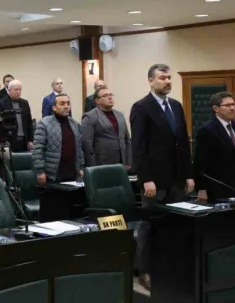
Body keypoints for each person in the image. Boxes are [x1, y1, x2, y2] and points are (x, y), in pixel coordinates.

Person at [130, 64, 193, 291]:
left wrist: (188, 175)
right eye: (162, 78)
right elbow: (138, 148)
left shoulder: (175, 106)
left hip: (176, 179)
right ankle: (143, 271)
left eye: (169, 78)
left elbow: (183, 143)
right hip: (154, 180)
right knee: (149, 226)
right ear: (151, 80)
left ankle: (171, 268)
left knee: (176, 224)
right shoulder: (141, 107)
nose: (167, 81)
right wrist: (146, 179)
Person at [33, 93, 85, 221]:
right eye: (62, 104)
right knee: (53, 212)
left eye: (68, 103)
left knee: (71, 212)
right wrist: (40, 171)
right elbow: (38, 149)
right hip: (52, 175)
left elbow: (79, 148)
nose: (66, 106)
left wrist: (81, 167)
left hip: (71, 174)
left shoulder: (74, 124)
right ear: (54, 107)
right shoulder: (44, 124)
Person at [194, 92, 235, 202]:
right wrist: (201, 189)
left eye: (233, 104)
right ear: (216, 108)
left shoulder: (233, 126)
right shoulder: (207, 130)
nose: (232, 108)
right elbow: (200, 163)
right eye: (227, 105)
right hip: (219, 187)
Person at [81, 87, 131, 168]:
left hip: (121, 162)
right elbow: (86, 143)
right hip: (101, 163)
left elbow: (127, 139)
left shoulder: (120, 115)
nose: (110, 97)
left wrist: (128, 161)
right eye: (105, 96)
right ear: (97, 101)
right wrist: (92, 166)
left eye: (111, 95)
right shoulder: (90, 116)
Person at [0, 80, 34, 152]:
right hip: (9, 140)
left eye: (20, 90)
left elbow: (29, 122)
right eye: (16, 90)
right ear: (9, 90)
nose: (18, 92)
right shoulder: (2, 103)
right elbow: (0, 125)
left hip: (24, 140)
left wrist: (30, 140)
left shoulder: (25, 103)